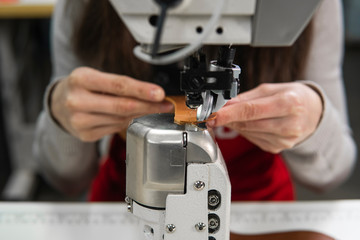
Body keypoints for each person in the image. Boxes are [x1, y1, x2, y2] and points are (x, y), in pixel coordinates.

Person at [34, 0, 356, 201]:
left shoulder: (309, 6)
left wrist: (314, 118)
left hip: (256, 208)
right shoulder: (85, 7)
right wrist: (62, 117)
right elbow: (64, 178)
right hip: (126, 206)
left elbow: (332, 173)